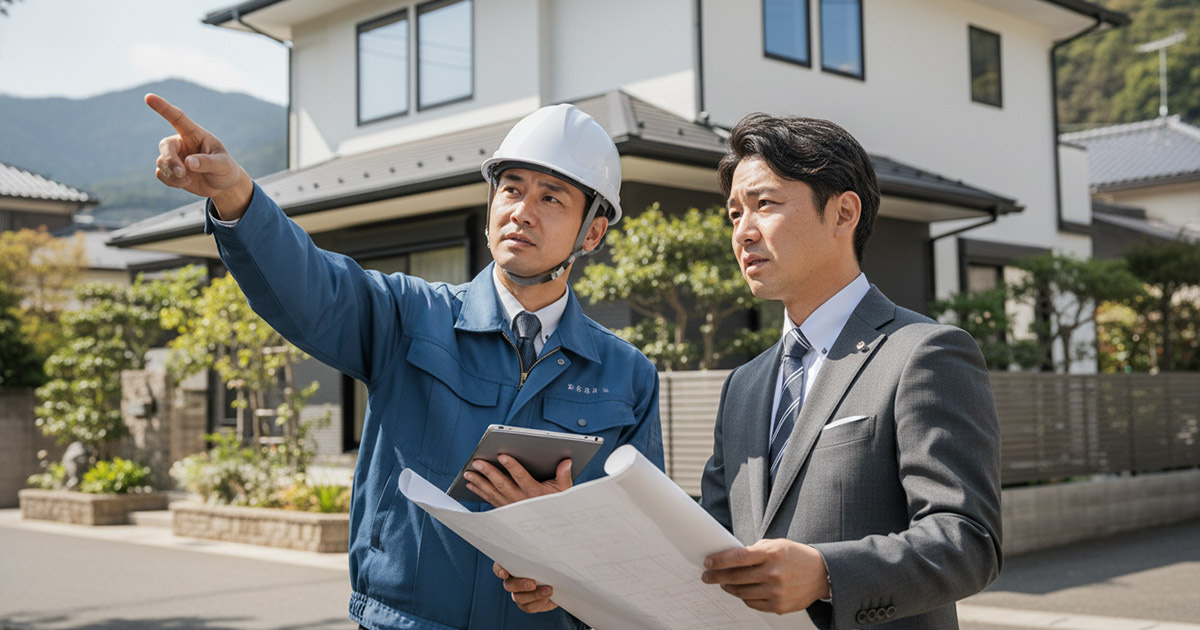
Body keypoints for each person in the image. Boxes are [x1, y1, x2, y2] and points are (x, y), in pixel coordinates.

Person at [146, 93, 663, 630]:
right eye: (511, 189)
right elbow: (310, 287)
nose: (521, 212)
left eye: (552, 198)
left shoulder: (627, 376)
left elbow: (641, 545)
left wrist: (566, 566)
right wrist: (235, 195)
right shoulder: (410, 315)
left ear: (593, 232)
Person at [693, 113, 1003, 629]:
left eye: (764, 204)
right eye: (733, 214)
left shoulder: (923, 353)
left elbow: (968, 540)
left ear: (843, 213)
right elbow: (712, 541)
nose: (743, 232)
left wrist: (825, 574)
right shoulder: (742, 386)